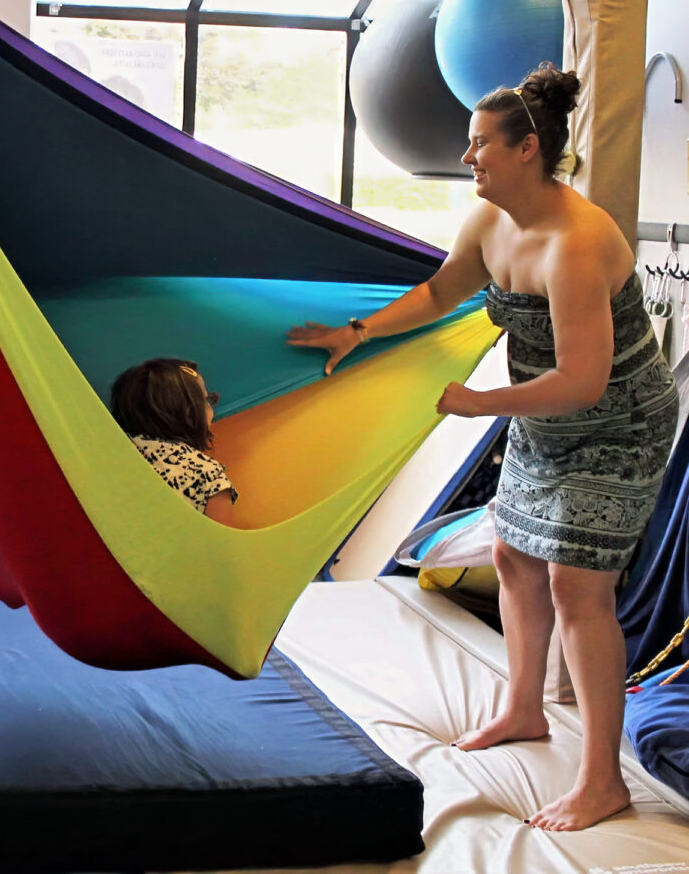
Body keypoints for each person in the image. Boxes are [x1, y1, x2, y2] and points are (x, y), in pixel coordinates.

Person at [288, 62, 677, 832]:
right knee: (510, 555)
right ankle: (522, 709)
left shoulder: (575, 244)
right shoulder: (490, 220)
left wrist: (482, 404)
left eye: (478, 145)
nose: (468, 157)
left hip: (617, 423)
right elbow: (439, 293)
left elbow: (585, 381)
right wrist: (356, 335)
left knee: (577, 585)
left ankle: (603, 778)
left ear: (526, 148)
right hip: (546, 415)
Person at [110, 357, 239, 525]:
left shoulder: (112, 457)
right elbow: (222, 547)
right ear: (187, 411)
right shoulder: (207, 475)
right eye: (206, 401)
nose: (211, 410)